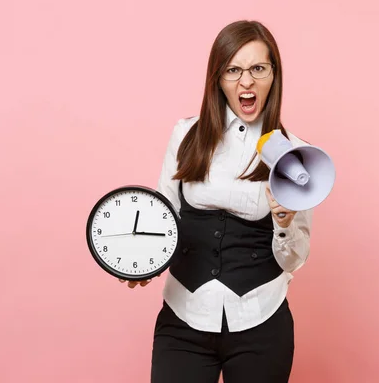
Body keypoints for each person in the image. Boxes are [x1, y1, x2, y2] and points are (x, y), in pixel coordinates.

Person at [121, 20, 313, 383]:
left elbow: (295, 258)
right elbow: (164, 214)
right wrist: (142, 263)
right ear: (217, 78)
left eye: (258, 68)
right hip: (184, 316)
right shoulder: (186, 134)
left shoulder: (296, 157)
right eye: (233, 70)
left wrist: (284, 224)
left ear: (274, 74)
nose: (246, 82)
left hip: (260, 319)